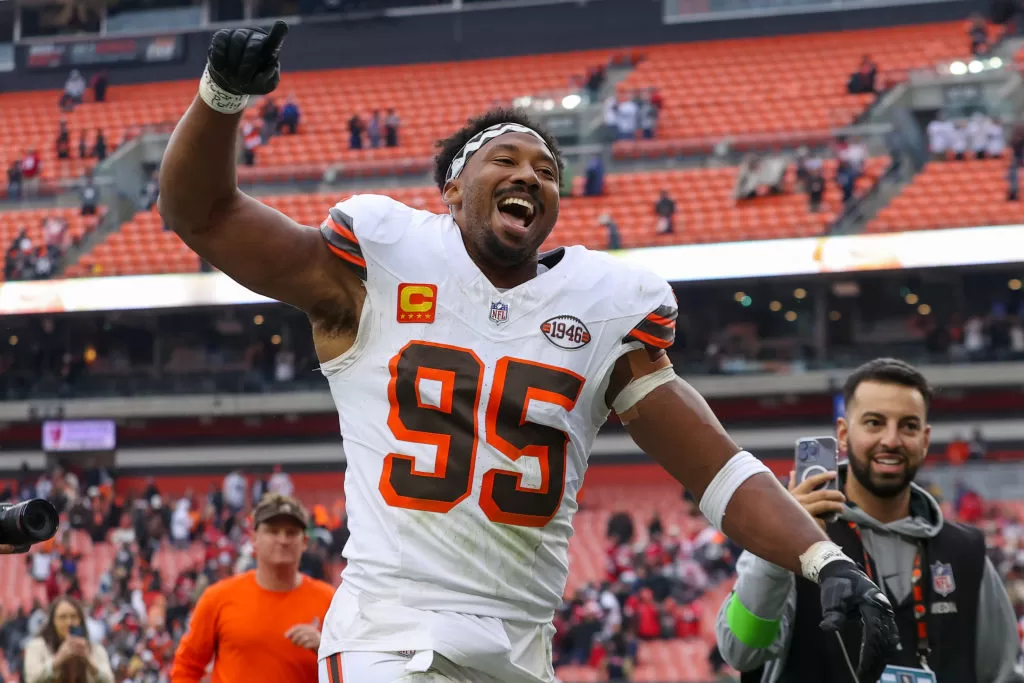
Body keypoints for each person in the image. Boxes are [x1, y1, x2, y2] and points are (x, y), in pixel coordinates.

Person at [158, 22, 901, 683]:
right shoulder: (376, 268)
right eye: (506, 159)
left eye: (547, 171)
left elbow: (713, 465)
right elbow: (206, 213)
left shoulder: (601, 306)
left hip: (520, 645)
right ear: (453, 188)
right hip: (392, 630)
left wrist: (823, 558)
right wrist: (220, 97)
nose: (530, 175)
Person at [715, 357, 1024, 683]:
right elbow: (739, 651)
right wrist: (778, 543)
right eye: (875, 422)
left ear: (925, 439)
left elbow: (1003, 675)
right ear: (844, 435)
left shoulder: (966, 553)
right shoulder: (790, 538)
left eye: (908, 425)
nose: (891, 440)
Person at [170, 494, 336, 683]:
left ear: (304, 542)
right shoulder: (218, 598)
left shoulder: (330, 601)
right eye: (273, 531)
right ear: (253, 538)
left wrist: (326, 648)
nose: (282, 539)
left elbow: (351, 670)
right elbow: (186, 667)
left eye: (291, 532)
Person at [24, 596, 114, 683]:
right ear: (53, 621)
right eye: (62, 617)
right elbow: (32, 680)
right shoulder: (37, 646)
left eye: (74, 616)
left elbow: (110, 681)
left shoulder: (95, 649)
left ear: (80, 620)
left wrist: (88, 660)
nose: (69, 622)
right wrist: (59, 658)